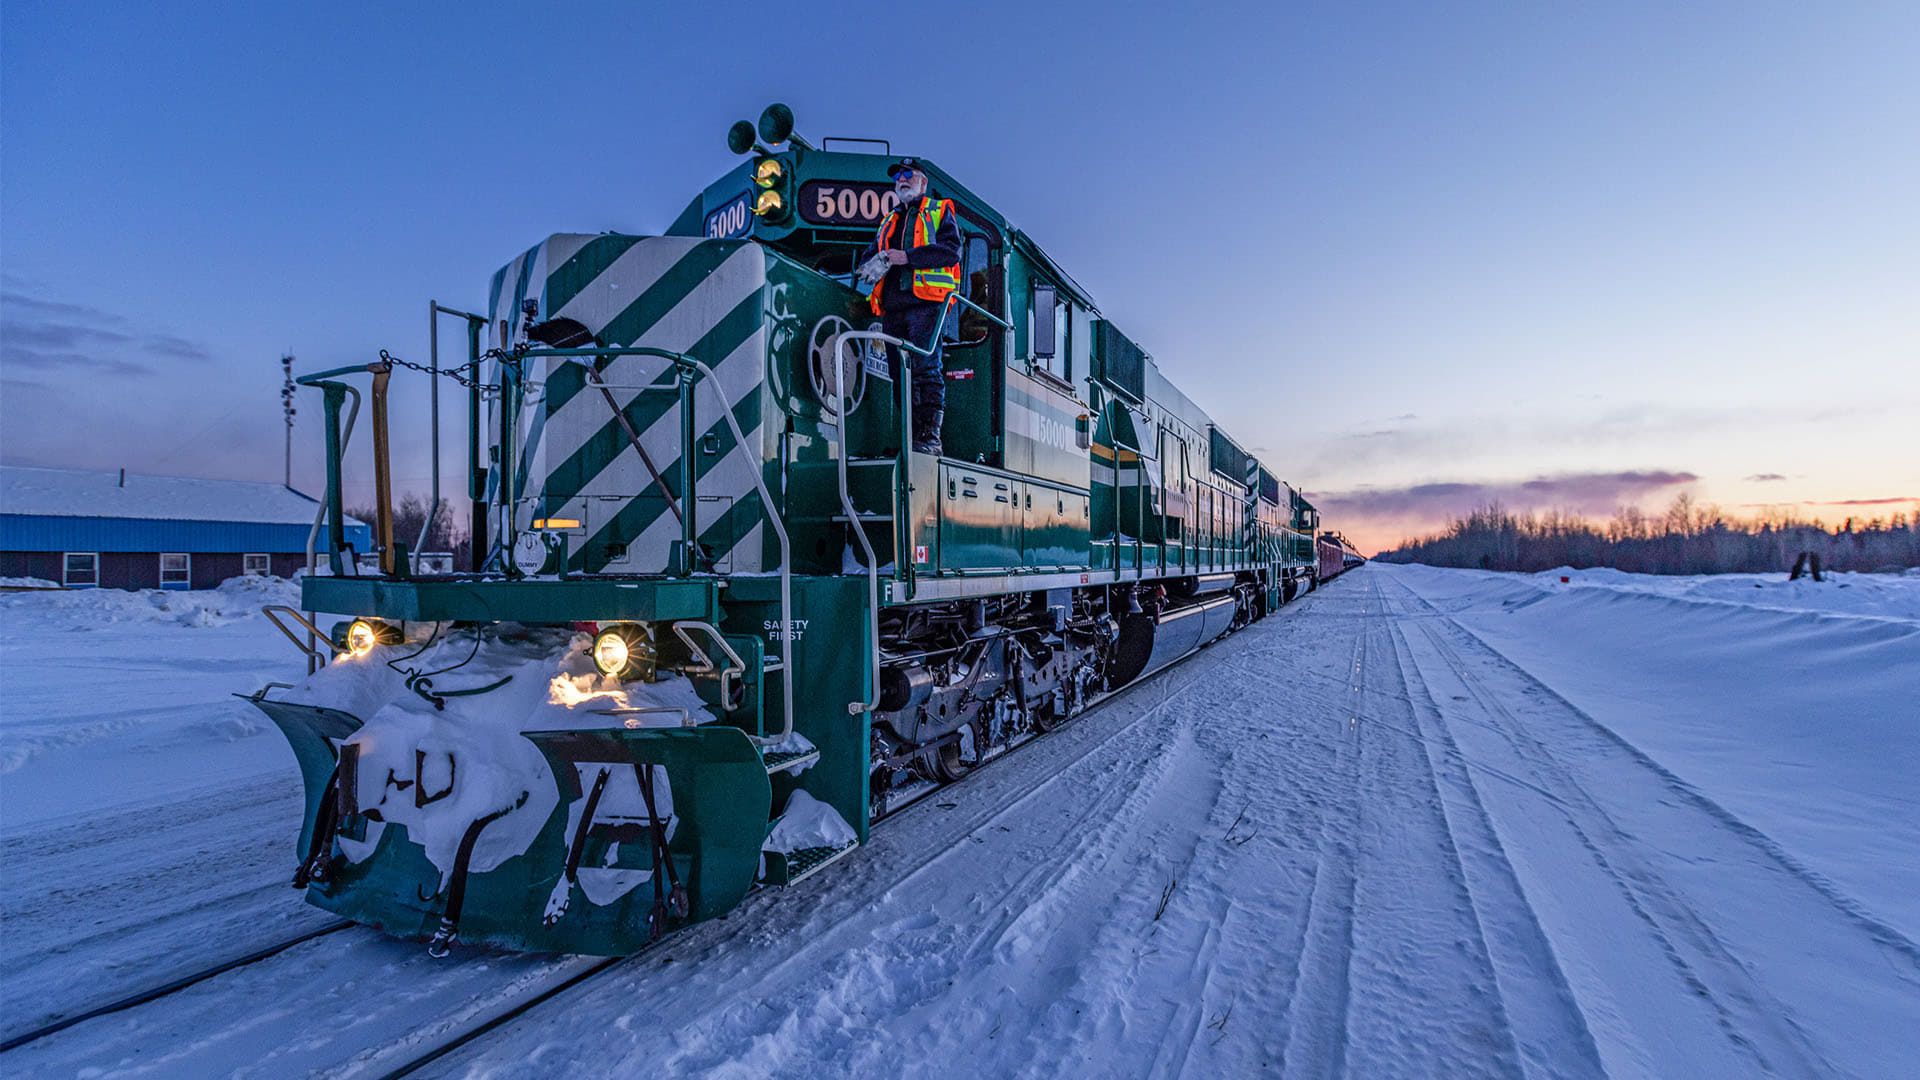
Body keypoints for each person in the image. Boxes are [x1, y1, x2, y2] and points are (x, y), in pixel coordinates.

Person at [856, 159, 962, 455]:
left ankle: (929, 437)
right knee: (897, 375)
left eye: (908, 175)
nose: (901, 180)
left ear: (923, 182)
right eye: (898, 176)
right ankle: (907, 435)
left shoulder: (940, 212)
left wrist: (907, 257)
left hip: (926, 304)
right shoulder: (888, 221)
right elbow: (867, 256)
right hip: (893, 310)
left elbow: (951, 252)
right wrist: (872, 263)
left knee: (927, 369)